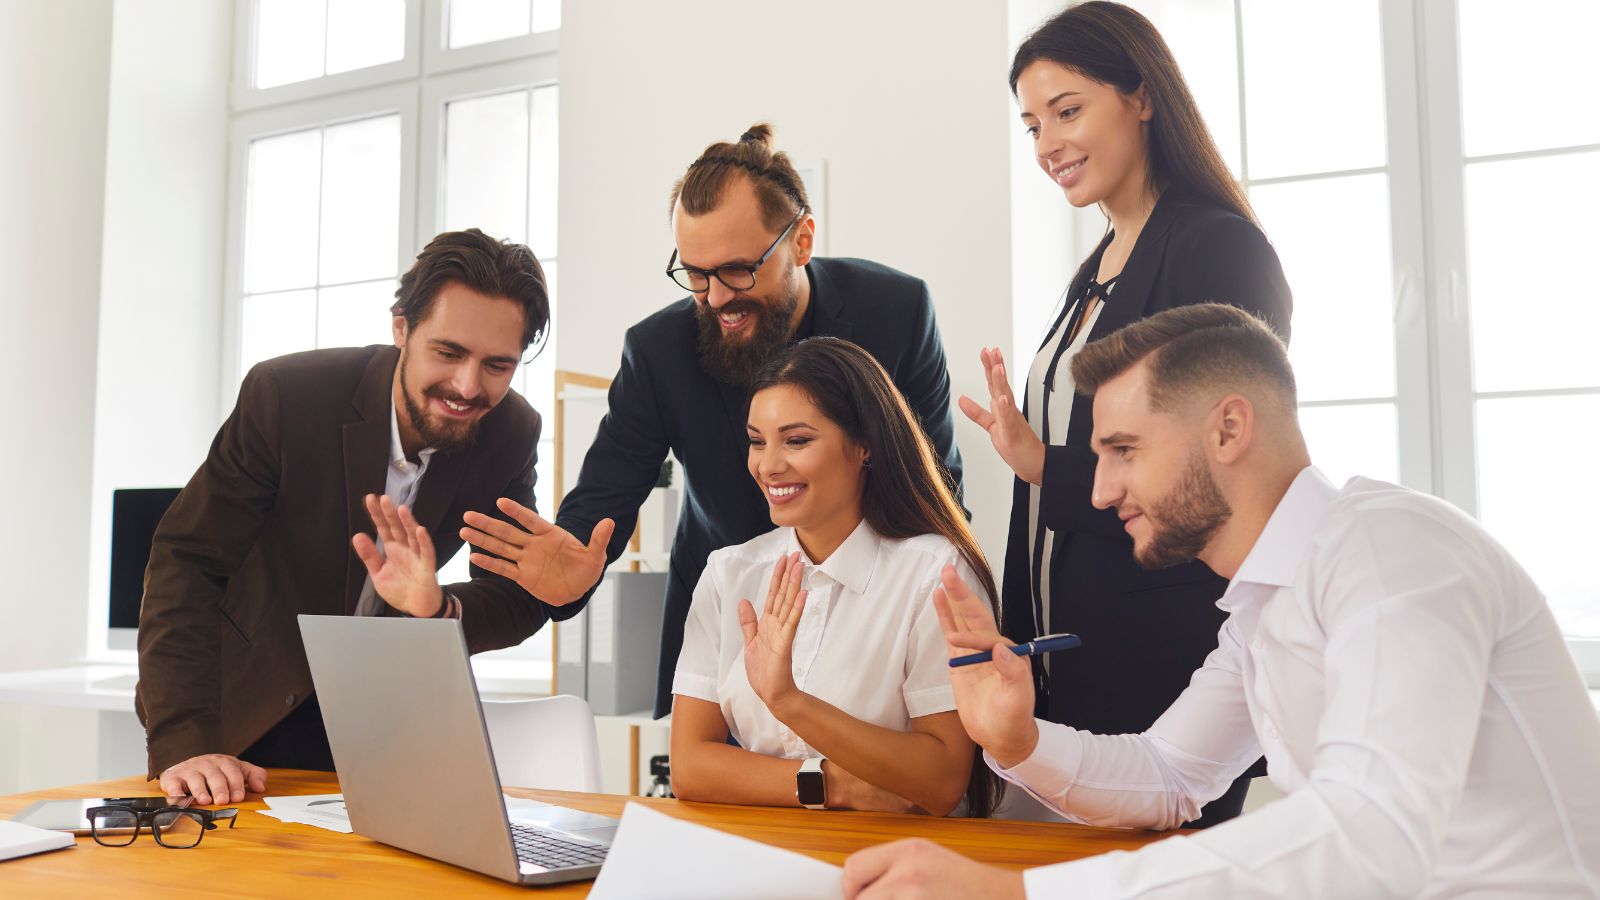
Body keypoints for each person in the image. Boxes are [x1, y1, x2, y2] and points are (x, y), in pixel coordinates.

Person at [842, 304, 1600, 898]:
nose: (1100, 491)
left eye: (1124, 451)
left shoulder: (1388, 549)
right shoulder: (1266, 605)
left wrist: (1021, 894)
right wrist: (1016, 741)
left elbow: (1373, 831)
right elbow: (1170, 775)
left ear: (1229, 428)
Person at [459, 124, 964, 718]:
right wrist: (572, 562)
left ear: (801, 240)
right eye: (695, 275)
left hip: (874, 613)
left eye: (737, 270)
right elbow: (607, 491)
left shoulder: (895, 311)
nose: (716, 297)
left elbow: (937, 488)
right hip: (723, 622)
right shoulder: (659, 349)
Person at [958, 1, 1290, 825]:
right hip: (1066, 666)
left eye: (1067, 112)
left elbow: (1210, 473)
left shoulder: (1216, 247)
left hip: (1164, 673)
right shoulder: (1096, 268)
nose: (1047, 146)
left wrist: (1043, 466)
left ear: (1142, 96)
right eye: (1032, 125)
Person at [137, 229, 557, 805]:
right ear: (401, 327)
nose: (467, 386)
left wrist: (436, 608)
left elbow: (516, 596)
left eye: (497, 365)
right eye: (449, 352)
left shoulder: (510, 432)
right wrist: (185, 741)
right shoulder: (287, 396)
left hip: (376, 725)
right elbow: (187, 560)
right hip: (238, 711)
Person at [669, 337, 995, 817]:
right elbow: (690, 767)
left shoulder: (934, 573)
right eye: (757, 441)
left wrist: (789, 701)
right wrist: (828, 785)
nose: (768, 465)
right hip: (766, 853)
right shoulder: (729, 573)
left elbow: (943, 779)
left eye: (797, 440)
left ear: (864, 445)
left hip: (902, 863)